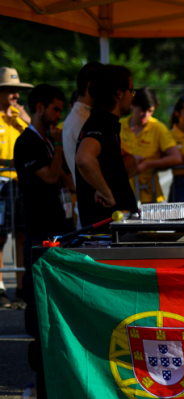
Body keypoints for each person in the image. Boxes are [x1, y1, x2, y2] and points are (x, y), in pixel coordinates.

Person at [13, 84, 74, 307]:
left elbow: (65, 179)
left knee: (58, 281)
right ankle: (35, 336)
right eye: (55, 110)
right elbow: (49, 177)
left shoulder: (47, 140)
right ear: (40, 107)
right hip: (39, 222)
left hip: (59, 220)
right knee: (38, 282)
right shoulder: (27, 142)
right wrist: (59, 146)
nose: (59, 116)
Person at [75, 65, 139, 227]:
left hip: (113, 227)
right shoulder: (100, 123)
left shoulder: (104, 123)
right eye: (131, 91)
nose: (132, 97)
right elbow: (84, 158)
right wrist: (105, 191)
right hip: (106, 231)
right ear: (119, 93)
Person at [0, 67, 33, 307]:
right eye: (11, 90)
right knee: (0, 236)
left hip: (22, 185)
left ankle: (22, 287)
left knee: (22, 234)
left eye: (18, 91)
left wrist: (27, 121)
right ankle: (1, 288)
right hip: (1, 183)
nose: (16, 96)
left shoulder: (21, 118)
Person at [121, 87, 182, 203]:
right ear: (132, 104)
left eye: (150, 111)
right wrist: (130, 161)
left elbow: (176, 158)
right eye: (142, 110)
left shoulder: (158, 128)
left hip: (150, 196)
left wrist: (148, 164)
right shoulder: (118, 125)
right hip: (122, 194)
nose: (146, 115)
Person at [63, 62, 103, 189]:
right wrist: (105, 191)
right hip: (95, 201)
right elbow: (85, 161)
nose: (108, 91)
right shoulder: (80, 120)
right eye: (104, 85)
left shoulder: (84, 116)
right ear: (91, 86)